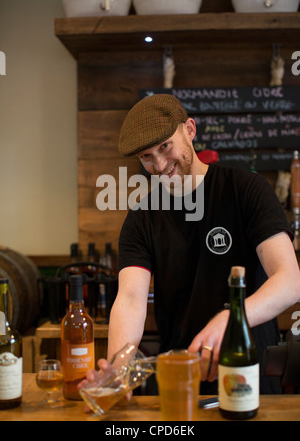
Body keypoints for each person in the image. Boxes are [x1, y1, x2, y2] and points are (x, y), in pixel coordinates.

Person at [101, 94, 300, 394]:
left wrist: (230, 318)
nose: (159, 165)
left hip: (250, 373)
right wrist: (118, 371)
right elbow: (129, 301)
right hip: (182, 377)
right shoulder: (142, 218)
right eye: (146, 157)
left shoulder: (246, 190)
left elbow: (290, 281)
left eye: (165, 146)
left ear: (190, 130)